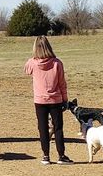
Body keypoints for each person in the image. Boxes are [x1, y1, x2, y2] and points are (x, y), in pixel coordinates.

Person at [24, 35, 72, 165]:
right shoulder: (57, 63)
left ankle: (46, 156)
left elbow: (26, 70)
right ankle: (61, 155)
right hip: (56, 100)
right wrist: (65, 99)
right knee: (58, 128)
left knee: (42, 128)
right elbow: (62, 83)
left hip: (39, 100)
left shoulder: (32, 63)